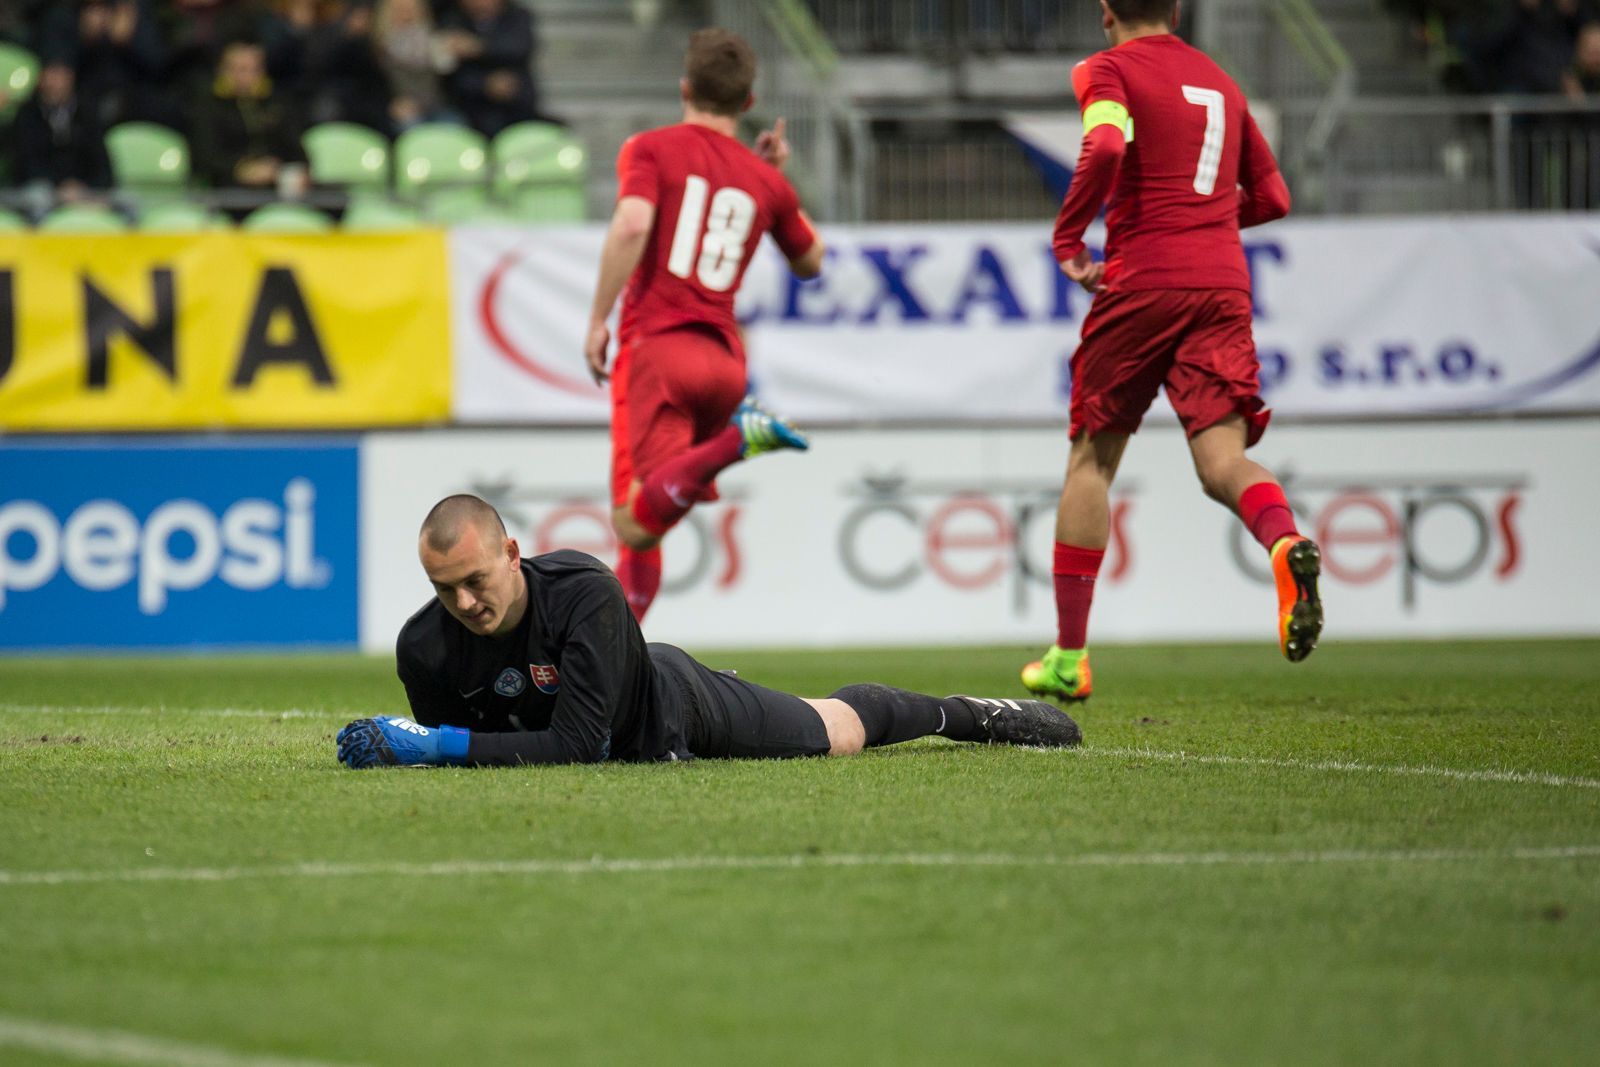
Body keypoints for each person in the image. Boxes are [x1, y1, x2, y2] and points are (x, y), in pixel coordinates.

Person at [1019, 0, 1322, 705]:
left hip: (1144, 279)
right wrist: (1204, 219)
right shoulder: (1221, 81)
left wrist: (1069, 237)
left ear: (1105, 10)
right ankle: (1284, 542)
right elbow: (1274, 196)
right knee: (1223, 464)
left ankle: (1069, 657)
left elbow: (1105, 147)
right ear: (1177, 9)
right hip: (1222, 284)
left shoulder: (1107, 70)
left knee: (1092, 461)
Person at [335, 495, 1081, 769]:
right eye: (444, 589)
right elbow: (464, 762)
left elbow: (578, 747)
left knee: (839, 732)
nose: (464, 602)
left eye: (475, 579)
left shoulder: (585, 593)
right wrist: (420, 751)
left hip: (673, 706)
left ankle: (972, 715)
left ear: (510, 551)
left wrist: (432, 746)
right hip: (601, 726)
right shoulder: (423, 647)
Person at [583, 28, 826, 622]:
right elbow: (811, 260)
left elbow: (633, 224)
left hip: (658, 350)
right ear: (748, 102)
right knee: (648, 524)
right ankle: (618, 657)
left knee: (631, 523)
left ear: (684, 87)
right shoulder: (764, 179)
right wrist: (774, 178)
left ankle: (736, 441)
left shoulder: (650, 148)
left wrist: (597, 318)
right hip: (723, 361)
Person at [188, 38, 307, 201]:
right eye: (239, 69)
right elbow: (203, 157)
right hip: (227, 188)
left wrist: (284, 171)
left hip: (277, 186)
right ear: (222, 70)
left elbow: (298, 152)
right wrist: (240, 169)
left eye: (254, 69)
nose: (246, 76)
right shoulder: (208, 106)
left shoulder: (277, 103)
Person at [9, 61, 113, 200]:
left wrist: (81, 187)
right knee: (36, 197)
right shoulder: (27, 115)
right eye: (51, 75)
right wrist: (59, 186)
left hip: (85, 189)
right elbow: (25, 164)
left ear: (71, 78)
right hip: (43, 189)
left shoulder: (87, 113)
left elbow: (102, 164)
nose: (55, 83)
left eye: (60, 76)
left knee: (125, 201)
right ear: (41, 79)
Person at [437, 0, 540, 136]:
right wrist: (484, 84)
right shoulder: (452, 20)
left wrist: (479, 47)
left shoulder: (517, 16)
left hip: (516, 100)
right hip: (470, 105)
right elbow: (448, 70)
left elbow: (519, 48)